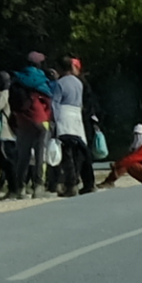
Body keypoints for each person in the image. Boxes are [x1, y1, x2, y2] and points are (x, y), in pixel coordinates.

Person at [9, 52, 54, 199]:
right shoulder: (41, 79)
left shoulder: (17, 79)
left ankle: (20, 188)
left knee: (23, 156)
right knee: (40, 155)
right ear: (39, 64)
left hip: (22, 120)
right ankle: (38, 187)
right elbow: (48, 101)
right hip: (39, 120)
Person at [52, 57, 91, 197]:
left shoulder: (60, 83)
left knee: (66, 153)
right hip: (76, 116)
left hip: (64, 116)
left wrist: (54, 122)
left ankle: (71, 185)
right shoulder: (78, 82)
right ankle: (82, 180)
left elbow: (55, 103)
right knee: (77, 152)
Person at [0, 71, 18, 197]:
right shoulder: (12, 92)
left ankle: (13, 188)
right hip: (11, 133)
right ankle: (7, 185)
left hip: (4, 132)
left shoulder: (4, 94)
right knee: (7, 162)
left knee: (8, 162)